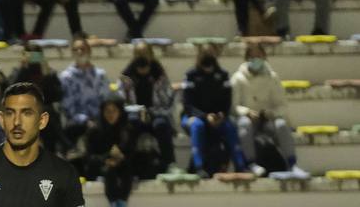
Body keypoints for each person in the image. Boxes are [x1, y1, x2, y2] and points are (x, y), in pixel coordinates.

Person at [231, 42, 309, 178]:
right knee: (244, 124)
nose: (256, 60)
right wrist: (247, 112)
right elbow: (233, 106)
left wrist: (271, 113)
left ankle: (292, 164)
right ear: (247, 59)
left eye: (259, 57)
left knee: (281, 124)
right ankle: (251, 164)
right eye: (253, 57)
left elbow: (282, 105)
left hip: (267, 120)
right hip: (249, 120)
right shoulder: (238, 79)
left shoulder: (272, 78)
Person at [181, 43, 247, 175]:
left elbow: (227, 102)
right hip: (193, 116)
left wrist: (221, 115)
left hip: (218, 117)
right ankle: (199, 166)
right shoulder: (190, 75)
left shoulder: (223, 75)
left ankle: (240, 165)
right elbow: (188, 105)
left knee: (230, 126)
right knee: (197, 126)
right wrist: (205, 117)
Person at [117, 40, 176, 169]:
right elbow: (121, 103)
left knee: (161, 124)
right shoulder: (126, 76)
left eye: (145, 53)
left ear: (151, 55)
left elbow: (168, 102)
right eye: (139, 54)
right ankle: (125, 164)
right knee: (131, 123)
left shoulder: (160, 74)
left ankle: (170, 164)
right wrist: (138, 110)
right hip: (135, 115)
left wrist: (152, 112)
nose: (142, 57)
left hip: (157, 114)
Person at [83, 95, 140, 207]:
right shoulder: (94, 130)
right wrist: (106, 158)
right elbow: (89, 157)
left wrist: (121, 158)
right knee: (110, 171)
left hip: (123, 165)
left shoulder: (127, 129)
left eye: (114, 111)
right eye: (107, 111)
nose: (110, 115)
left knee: (127, 171)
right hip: (100, 166)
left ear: (120, 112)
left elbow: (132, 153)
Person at [59, 37, 110, 146]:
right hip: (78, 121)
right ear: (72, 53)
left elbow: (106, 100)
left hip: (100, 119)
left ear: (89, 51)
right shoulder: (66, 77)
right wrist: (86, 121)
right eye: (76, 49)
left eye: (82, 49)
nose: (79, 52)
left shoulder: (100, 75)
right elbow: (68, 107)